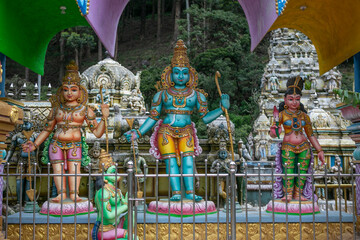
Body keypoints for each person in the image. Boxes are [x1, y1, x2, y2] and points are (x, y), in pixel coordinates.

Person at [124, 40, 230, 202]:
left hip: (186, 131)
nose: (180, 76)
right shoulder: (162, 95)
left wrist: (221, 109)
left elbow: (206, 118)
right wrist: (138, 132)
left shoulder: (196, 95)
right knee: (171, 163)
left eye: (184, 72)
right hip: (166, 131)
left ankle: (189, 192)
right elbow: (153, 117)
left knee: (188, 162)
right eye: (177, 72)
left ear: (190, 74)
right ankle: (176, 192)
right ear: (170, 74)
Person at [22, 61, 109, 202]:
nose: (69, 93)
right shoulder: (56, 109)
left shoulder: (85, 110)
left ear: (80, 91)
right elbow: (47, 129)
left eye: (73, 89)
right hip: (56, 143)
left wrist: (105, 118)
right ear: (61, 90)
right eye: (66, 89)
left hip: (75, 145)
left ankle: (74, 194)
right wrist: (35, 144)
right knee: (57, 170)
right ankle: (61, 194)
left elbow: (98, 133)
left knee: (75, 170)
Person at [269, 76, 324, 202]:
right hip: (288, 146)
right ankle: (288, 193)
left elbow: (310, 135)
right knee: (288, 170)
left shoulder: (304, 116)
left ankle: (298, 194)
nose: (294, 102)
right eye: (291, 99)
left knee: (302, 171)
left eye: (297, 99)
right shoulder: (281, 115)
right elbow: (273, 134)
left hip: (304, 146)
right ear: (285, 100)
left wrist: (319, 150)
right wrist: (274, 129)